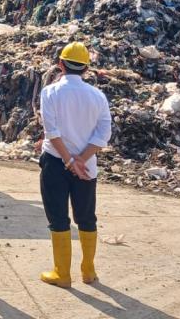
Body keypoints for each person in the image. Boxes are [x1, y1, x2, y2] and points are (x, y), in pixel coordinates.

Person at [37, 42, 112, 288]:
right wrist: (81, 158)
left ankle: (62, 273)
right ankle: (88, 270)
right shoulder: (98, 96)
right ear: (86, 69)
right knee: (86, 216)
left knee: (58, 216)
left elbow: (51, 132)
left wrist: (69, 160)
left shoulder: (50, 92)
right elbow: (104, 133)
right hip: (86, 166)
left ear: (61, 65)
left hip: (55, 162)